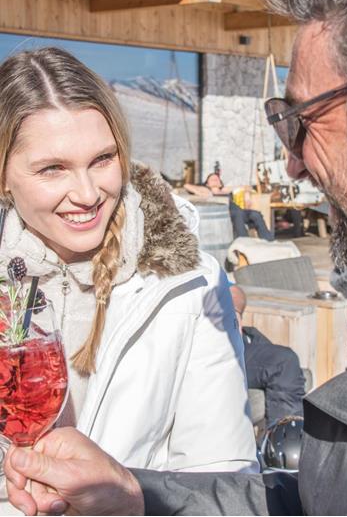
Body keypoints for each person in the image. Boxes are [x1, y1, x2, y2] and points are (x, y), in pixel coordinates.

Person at [4, 0, 347, 514]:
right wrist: (137, 496)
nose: (292, 167)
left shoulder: (192, 285)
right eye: (51, 168)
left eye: (298, 120)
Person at [0, 47, 258, 485]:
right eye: (53, 169)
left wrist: (135, 498)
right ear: (4, 177)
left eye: (102, 159)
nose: (87, 193)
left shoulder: (188, 285)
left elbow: (222, 484)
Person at [231, 285, 304, 425]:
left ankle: (294, 430)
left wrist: (234, 310)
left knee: (258, 340)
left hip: (236, 336)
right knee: (282, 363)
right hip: (206, 346)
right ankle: (283, 441)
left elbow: (235, 291)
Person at [185, 173, 275, 241]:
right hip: (225, 213)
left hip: (238, 210)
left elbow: (247, 187)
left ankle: (268, 241)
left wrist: (247, 194)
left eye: (217, 179)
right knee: (238, 213)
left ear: (220, 183)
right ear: (207, 184)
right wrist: (200, 192)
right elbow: (186, 185)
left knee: (255, 214)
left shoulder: (225, 190)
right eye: (212, 179)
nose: (215, 180)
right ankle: (244, 241)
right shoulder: (207, 190)